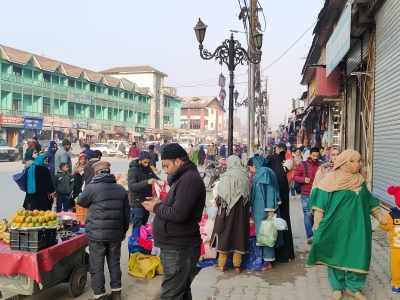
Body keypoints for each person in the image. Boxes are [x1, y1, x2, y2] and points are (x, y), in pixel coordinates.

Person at [308, 150, 386, 300]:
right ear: (344, 162)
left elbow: (370, 202)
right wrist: (317, 224)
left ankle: (353, 288)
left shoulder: (360, 181)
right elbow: (319, 205)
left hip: (359, 227)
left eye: (359, 161)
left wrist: (380, 216)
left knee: (358, 254)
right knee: (336, 254)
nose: (358, 164)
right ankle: (337, 287)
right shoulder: (329, 180)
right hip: (335, 227)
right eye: (353, 161)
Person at [142, 143, 206, 300]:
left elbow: (179, 214)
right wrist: (160, 202)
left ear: (178, 161)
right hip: (177, 246)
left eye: (167, 165)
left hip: (180, 248)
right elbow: (178, 206)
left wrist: (156, 207)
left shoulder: (189, 180)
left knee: (171, 294)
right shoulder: (183, 178)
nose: (165, 170)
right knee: (181, 291)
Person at [78, 161, 130, 300]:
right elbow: (126, 215)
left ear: (96, 173)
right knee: (114, 263)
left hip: (96, 235)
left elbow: (81, 202)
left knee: (97, 265)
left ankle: (100, 295)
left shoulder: (91, 188)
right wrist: (123, 232)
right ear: (109, 172)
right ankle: (116, 293)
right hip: (115, 235)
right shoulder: (120, 189)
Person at [211, 155, 250, 273]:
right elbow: (248, 197)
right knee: (239, 236)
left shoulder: (226, 176)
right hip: (241, 213)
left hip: (227, 212)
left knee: (225, 235)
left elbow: (220, 197)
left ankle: (221, 265)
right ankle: (237, 266)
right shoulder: (245, 177)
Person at [248, 155, 280, 270]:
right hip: (260, 210)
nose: (250, 171)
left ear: (254, 165)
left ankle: (268, 262)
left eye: (250, 168)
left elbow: (270, 192)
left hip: (264, 211)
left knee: (266, 234)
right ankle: (265, 259)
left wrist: (270, 210)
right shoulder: (265, 171)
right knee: (265, 234)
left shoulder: (263, 173)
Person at [266, 143, 295, 263]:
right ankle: (288, 254)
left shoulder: (273, 165)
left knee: (275, 224)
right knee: (284, 222)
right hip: (284, 198)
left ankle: (277, 254)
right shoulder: (284, 163)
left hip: (276, 202)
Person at [293, 147, 321, 244]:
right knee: (307, 214)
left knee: (315, 215)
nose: (315, 158)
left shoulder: (321, 165)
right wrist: (304, 179)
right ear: (310, 155)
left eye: (317, 156)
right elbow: (295, 176)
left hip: (318, 194)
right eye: (314, 156)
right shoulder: (303, 164)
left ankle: (312, 232)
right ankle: (310, 235)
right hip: (306, 193)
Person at [128, 151, 159, 231]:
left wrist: (160, 182)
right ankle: (135, 241)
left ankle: (142, 241)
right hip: (137, 202)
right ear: (140, 160)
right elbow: (132, 186)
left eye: (148, 162)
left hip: (147, 200)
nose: (146, 164)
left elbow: (155, 178)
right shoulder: (133, 170)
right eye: (145, 162)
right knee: (138, 225)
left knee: (144, 225)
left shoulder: (148, 169)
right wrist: (147, 182)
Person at [381, 186, 400, 294]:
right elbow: (385, 226)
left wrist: (384, 223)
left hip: (396, 246)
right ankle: (396, 282)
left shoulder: (391, 214)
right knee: (396, 266)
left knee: (396, 265)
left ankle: (397, 283)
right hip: (396, 248)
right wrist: (383, 222)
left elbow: (385, 227)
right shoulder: (391, 215)